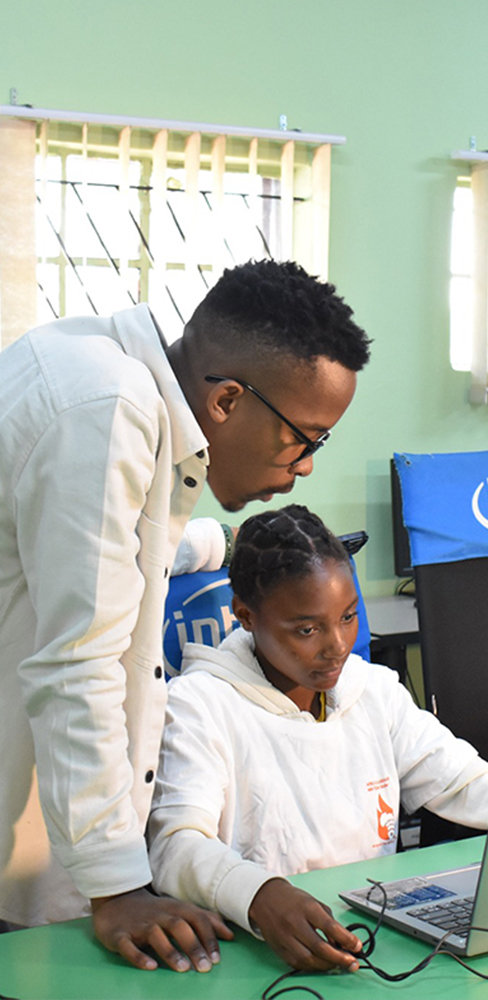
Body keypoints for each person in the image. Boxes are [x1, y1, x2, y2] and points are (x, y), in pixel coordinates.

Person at [0, 260, 371, 974]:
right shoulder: (108, 412)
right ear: (227, 400)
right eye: (306, 437)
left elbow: (118, 550)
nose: (306, 466)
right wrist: (116, 887)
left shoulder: (95, 369)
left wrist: (224, 544)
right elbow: (77, 666)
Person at [146, 505, 488, 971]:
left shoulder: (371, 690)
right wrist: (258, 893)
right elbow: (176, 844)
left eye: (348, 617)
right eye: (307, 629)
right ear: (246, 615)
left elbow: (465, 782)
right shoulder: (199, 704)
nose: (338, 647)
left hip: (365, 939)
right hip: (257, 952)